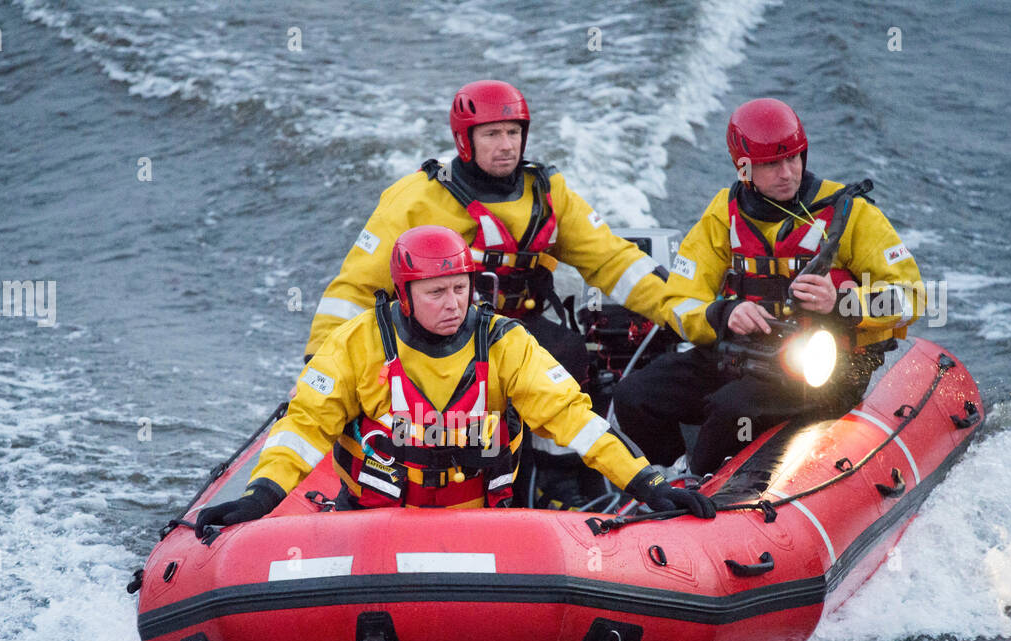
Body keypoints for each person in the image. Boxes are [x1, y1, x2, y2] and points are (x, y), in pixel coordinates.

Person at [302, 79, 714, 507]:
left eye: (513, 133)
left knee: (565, 353)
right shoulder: (417, 199)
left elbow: (612, 261)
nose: (506, 146)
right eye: (492, 134)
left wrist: (694, 316)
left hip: (515, 333)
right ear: (466, 141)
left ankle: (555, 483)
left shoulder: (548, 195)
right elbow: (355, 287)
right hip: (435, 332)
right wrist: (318, 362)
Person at [196, 226, 715, 532]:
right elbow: (306, 425)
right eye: (435, 292)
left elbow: (575, 422)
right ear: (404, 296)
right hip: (370, 527)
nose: (453, 304)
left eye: (460, 289)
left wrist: (646, 483)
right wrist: (261, 497)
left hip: (482, 528)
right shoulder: (358, 343)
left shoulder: (505, 342)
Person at [613, 97, 924, 478]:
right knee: (635, 397)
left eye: (793, 158)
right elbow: (678, 300)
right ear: (744, 169)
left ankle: (702, 482)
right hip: (748, 355)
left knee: (730, 409)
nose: (787, 173)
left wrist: (842, 303)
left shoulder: (851, 214)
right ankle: (671, 476)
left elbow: (913, 296)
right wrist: (723, 313)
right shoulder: (722, 214)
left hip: (822, 369)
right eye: (771, 164)